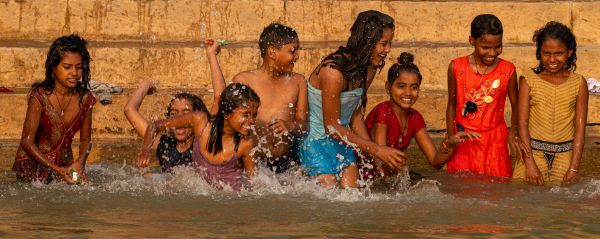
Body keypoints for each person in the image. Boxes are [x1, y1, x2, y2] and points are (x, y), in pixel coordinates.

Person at [301, 10, 406, 188]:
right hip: (314, 141)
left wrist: (375, 158)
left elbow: (355, 118)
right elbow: (332, 127)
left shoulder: (369, 69)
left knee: (353, 194)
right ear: (367, 42)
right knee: (329, 190)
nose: (388, 50)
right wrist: (377, 149)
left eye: (389, 43)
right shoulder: (333, 73)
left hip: (341, 140)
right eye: (384, 44)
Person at [360, 52, 479, 181]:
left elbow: (435, 162)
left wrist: (450, 144)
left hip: (387, 176)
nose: (408, 93)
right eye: (401, 86)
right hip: (365, 178)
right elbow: (380, 160)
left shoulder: (415, 118)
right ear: (388, 87)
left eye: (414, 87)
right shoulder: (383, 112)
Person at [124, 38, 224, 172]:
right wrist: (145, 85)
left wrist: (211, 54)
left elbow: (220, 98)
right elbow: (129, 110)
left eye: (186, 113)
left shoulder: (204, 141)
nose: (178, 120)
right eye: (173, 114)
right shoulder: (162, 143)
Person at [445, 14, 526, 178]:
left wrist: (513, 132)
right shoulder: (456, 67)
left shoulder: (508, 70)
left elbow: (517, 105)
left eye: (498, 47)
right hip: (463, 138)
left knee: (495, 191)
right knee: (462, 189)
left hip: (495, 140)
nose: (492, 52)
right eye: (485, 47)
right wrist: (451, 137)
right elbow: (452, 104)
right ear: (471, 41)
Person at [138, 83, 260, 191]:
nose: (252, 121)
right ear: (227, 113)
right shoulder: (200, 122)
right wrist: (145, 150)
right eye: (246, 115)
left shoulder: (246, 144)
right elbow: (155, 126)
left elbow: (255, 184)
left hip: (230, 199)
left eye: (254, 115)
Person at [13, 34, 96, 184]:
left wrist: (80, 163)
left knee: (86, 189)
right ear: (53, 68)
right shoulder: (39, 96)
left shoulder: (85, 99)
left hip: (65, 166)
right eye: (67, 67)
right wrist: (57, 169)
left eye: (78, 67)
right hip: (32, 166)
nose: (74, 73)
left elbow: (86, 140)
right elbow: (26, 142)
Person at [512, 21, 588, 186]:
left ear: (569, 52)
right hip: (532, 154)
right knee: (524, 203)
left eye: (558, 53)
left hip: (565, 156)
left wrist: (574, 168)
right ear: (540, 53)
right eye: (546, 53)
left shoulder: (579, 83)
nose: (552, 59)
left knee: (561, 205)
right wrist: (530, 164)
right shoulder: (528, 79)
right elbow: (522, 124)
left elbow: (580, 129)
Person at [231, 23, 307, 173]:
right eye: (292, 51)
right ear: (272, 52)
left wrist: (290, 126)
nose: (297, 56)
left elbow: (303, 125)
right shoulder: (244, 80)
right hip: (252, 164)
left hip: (286, 163)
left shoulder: (298, 81)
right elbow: (230, 122)